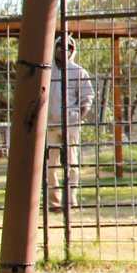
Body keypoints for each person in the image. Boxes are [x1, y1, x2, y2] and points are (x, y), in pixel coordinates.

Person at [46, 33, 94, 211]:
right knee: (50, 165)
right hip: (49, 125)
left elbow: (87, 97)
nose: (63, 50)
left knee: (72, 164)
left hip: (70, 125)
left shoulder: (78, 71)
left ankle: (71, 200)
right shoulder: (47, 69)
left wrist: (78, 116)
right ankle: (54, 201)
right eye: (60, 46)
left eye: (68, 47)